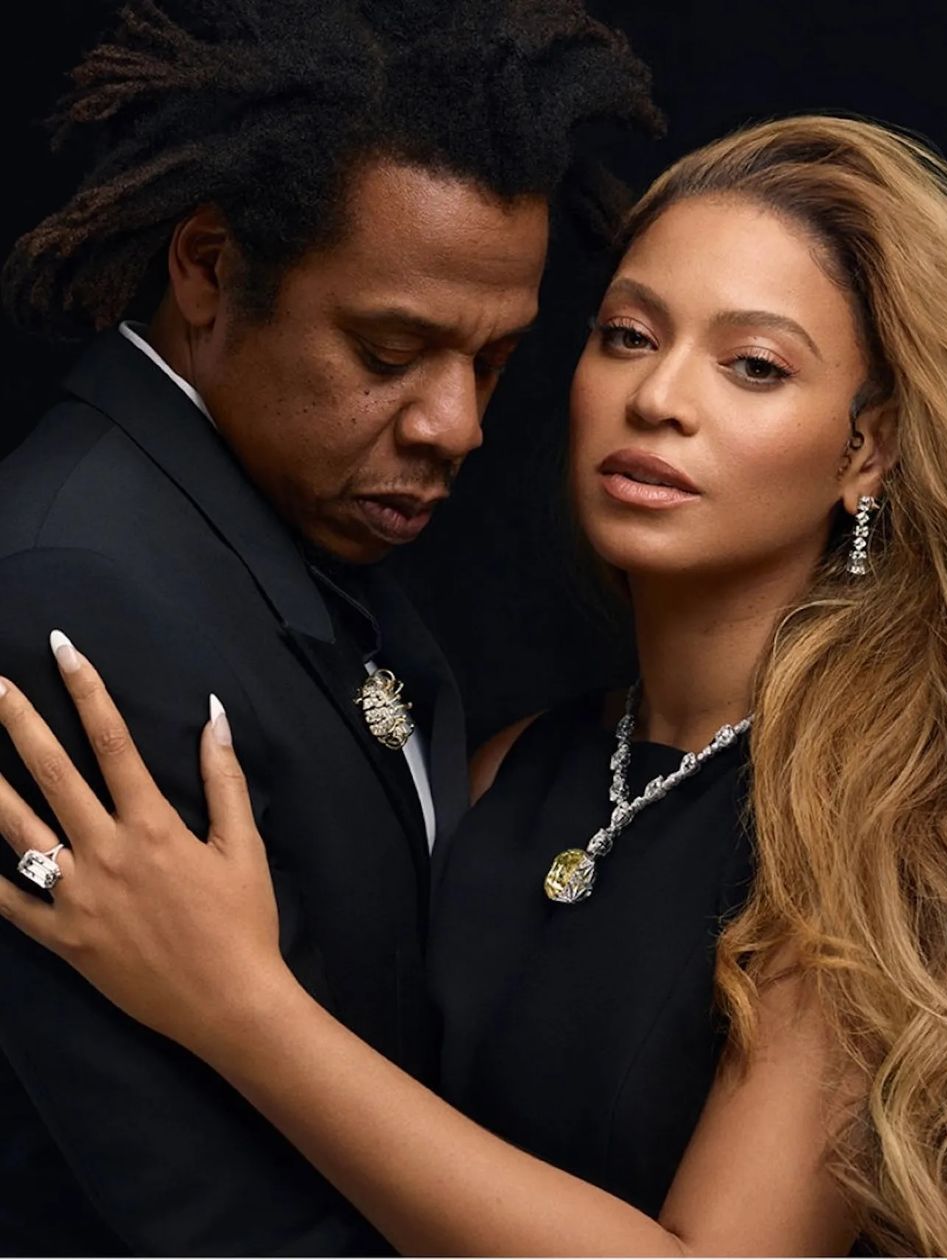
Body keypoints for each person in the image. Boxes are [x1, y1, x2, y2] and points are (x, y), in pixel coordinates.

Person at [1, 113, 947, 1257]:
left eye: (754, 366)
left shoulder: (902, 819)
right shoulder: (505, 770)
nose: (659, 396)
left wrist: (241, 1005)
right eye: (628, 336)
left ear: (866, 451)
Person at [0, 1, 660, 1254]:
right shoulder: (69, 599)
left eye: (495, 359)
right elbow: (216, 1223)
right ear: (209, 268)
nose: (457, 425)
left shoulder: (274, 518)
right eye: (390, 348)